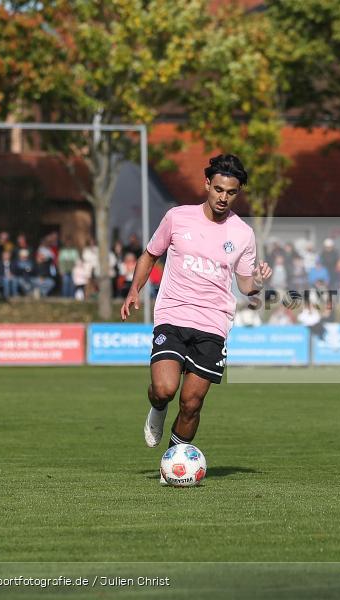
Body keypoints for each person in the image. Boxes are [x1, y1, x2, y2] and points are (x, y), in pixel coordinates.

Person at [120, 154, 271, 484]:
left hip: (214, 323)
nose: (222, 197)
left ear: (238, 192)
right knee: (164, 389)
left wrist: (258, 280)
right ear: (207, 184)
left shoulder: (243, 234)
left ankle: (172, 462)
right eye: (218, 189)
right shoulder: (177, 217)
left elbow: (246, 285)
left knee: (191, 403)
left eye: (230, 192)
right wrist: (134, 290)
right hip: (173, 314)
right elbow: (151, 254)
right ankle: (157, 410)